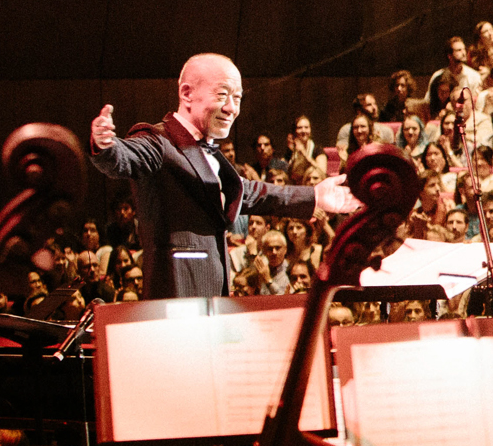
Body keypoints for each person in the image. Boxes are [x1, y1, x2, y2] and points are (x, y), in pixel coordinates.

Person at [88, 52, 359, 299]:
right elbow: (124, 157)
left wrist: (315, 196)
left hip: (214, 301)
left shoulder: (211, 154)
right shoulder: (158, 140)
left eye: (237, 98)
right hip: (177, 299)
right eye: (222, 95)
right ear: (187, 94)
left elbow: (253, 192)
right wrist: (105, 145)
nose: (232, 108)